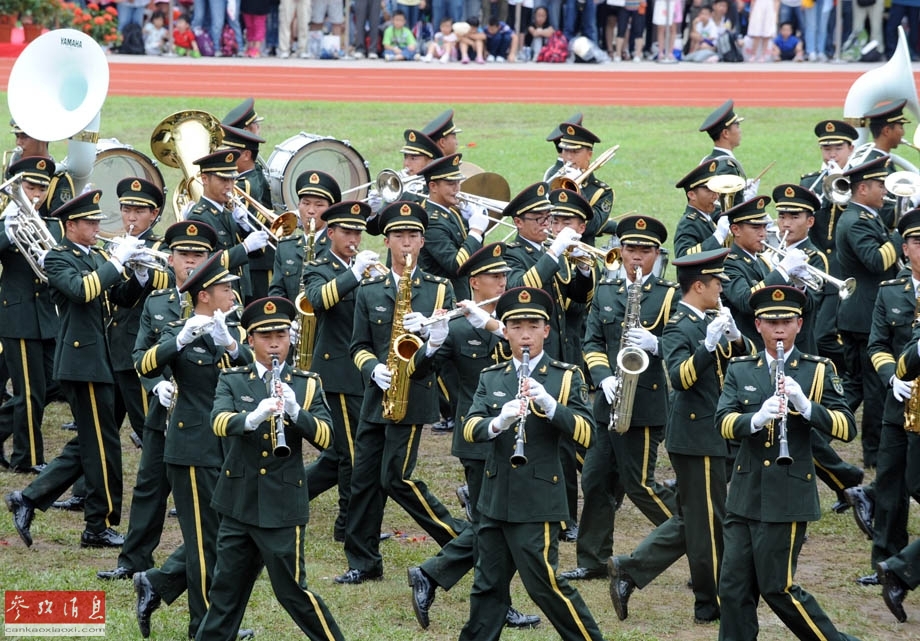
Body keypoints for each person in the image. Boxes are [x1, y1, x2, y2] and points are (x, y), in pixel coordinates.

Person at [608, 248, 755, 623]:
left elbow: (740, 362)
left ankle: (630, 569)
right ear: (700, 286)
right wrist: (706, 346)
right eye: (717, 284)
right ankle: (709, 604)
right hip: (695, 436)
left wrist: (736, 339)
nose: (722, 290)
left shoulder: (709, 319)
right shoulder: (679, 327)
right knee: (708, 524)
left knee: (698, 517)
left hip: (715, 433)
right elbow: (680, 377)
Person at [456, 285, 604, 641]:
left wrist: (552, 407)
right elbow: (469, 430)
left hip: (539, 500)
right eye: (517, 326)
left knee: (545, 586)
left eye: (534, 325)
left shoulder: (565, 376)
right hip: (494, 498)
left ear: (546, 330)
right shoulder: (492, 377)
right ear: (504, 331)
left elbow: (588, 434)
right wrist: (498, 422)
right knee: (487, 587)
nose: (525, 334)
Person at [5, 190, 152, 548]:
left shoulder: (96, 255)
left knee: (89, 442)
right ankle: (97, 526)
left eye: (98, 221)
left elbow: (118, 298)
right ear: (71, 225)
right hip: (80, 362)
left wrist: (141, 278)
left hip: (98, 359)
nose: (98, 227)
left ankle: (28, 498)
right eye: (90, 222)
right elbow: (83, 291)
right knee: (104, 446)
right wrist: (117, 262)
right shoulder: (57, 258)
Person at [405, 243, 541, 631]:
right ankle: (488, 600)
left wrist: (496, 327)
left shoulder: (516, 323)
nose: (503, 281)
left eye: (504, 275)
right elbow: (418, 373)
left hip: (522, 436)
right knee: (493, 528)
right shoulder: (460, 326)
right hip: (479, 441)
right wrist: (432, 340)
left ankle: (432, 575)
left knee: (496, 527)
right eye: (495, 277)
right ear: (475, 283)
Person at [193, 296, 345, 641]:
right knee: (224, 595)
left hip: (282, 504)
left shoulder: (307, 384)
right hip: (238, 501)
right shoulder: (233, 379)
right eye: (265, 336)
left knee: (293, 593)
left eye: (281, 334)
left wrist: (295, 412)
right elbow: (217, 422)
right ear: (250, 340)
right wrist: (252, 417)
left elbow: (327, 438)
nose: (275, 342)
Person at [715, 285, 861, 641]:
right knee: (733, 589)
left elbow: (847, 428)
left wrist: (806, 405)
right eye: (770, 321)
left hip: (789, 493)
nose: (778, 328)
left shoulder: (818, 370)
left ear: (799, 323)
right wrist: (756, 419)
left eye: (786, 321)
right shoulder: (740, 369)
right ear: (758, 325)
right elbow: (722, 422)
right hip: (745, 492)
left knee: (778, 587)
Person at [335, 201, 468, 584]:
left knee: (395, 477)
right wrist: (371, 368)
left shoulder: (439, 289)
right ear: (387, 241)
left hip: (414, 393)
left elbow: (445, 348)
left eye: (412, 236)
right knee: (363, 478)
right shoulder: (369, 289)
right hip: (378, 394)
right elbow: (357, 345)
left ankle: (461, 539)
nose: (405, 243)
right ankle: (363, 561)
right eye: (398, 236)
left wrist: (430, 335)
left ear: (423, 241)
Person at [133, 252, 252, 640]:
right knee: (206, 546)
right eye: (225, 289)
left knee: (223, 535)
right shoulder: (180, 331)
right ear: (204, 295)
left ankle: (159, 583)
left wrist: (233, 347)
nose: (232, 295)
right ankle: (204, 627)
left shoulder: (226, 330)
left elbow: (253, 374)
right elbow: (145, 365)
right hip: (191, 450)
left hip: (223, 448)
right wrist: (180, 341)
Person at [97, 221, 219, 582]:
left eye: (198, 256)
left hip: (205, 414)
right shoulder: (157, 302)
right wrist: (155, 384)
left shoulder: (226, 303)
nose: (191, 263)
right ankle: (132, 560)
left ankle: (214, 555)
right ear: (170, 259)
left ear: (210, 259)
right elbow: (140, 353)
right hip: (164, 410)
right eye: (184, 256)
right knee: (150, 484)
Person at [562, 215, 679, 582]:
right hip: (608, 403)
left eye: (645, 250)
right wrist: (602, 378)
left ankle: (697, 535)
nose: (637, 258)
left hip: (645, 404)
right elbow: (592, 341)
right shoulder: (607, 290)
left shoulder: (668, 295)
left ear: (657, 254)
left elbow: (681, 345)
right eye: (631, 249)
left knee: (640, 485)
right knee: (595, 479)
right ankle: (593, 559)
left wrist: (656, 344)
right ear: (620, 250)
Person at [772, 183, 865, 514]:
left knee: (793, 429)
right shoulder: (772, 249)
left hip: (802, 348)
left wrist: (794, 279)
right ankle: (848, 481)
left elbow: (818, 315)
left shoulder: (819, 258)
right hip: (770, 345)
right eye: (781, 215)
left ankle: (843, 484)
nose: (785, 223)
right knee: (792, 429)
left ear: (810, 221)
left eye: (794, 216)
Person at [848, 207, 920, 588]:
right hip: (900, 403)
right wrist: (892, 378)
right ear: (905, 248)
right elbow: (877, 345)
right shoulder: (891, 293)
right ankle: (887, 564)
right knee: (890, 484)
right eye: (918, 242)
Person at [300, 201, 375, 543]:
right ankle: (348, 526)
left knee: (336, 458)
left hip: (364, 372)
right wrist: (354, 273)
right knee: (354, 456)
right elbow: (317, 299)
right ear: (330, 233)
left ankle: (288, 497)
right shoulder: (320, 267)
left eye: (358, 231)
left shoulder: (367, 267)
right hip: (338, 373)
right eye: (346, 231)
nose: (354, 237)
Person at [836, 156, 900, 470]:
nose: (885, 191)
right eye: (880, 185)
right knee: (873, 388)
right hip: (863, 317)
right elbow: (876, 261)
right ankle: (873, 453)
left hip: (857, 313)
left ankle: (818, 430)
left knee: (857, 384)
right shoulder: (856, 221)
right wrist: (902, 236)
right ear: (863, 188)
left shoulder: (863, 216)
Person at [0, 157, 62, 474]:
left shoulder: (52, 224)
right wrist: (8, 233)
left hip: (46, 319)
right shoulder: (5, 223)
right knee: (30, 392)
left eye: (41, 187)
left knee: (55, 383)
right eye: (29, 186)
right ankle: (28, 458)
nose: (35, 194)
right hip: (19, 319)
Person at [108, 178, 172, 450]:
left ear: (154, 214)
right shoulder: (114, 248)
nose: (131, 217)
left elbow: (172, 281)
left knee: (149, 427)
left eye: (139, 211)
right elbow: (115, 296)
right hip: (112, 349)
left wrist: (143, 272)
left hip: (142, 349)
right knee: (100, 429)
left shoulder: (162, 249)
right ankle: (86, 491)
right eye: (126, 210)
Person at [721, 195, 814, 350]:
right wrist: (783, 270)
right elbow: (745, 301)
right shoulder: (728, 264)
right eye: (756, 228)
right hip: (744, 349)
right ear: (736, 230)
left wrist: (799, 287)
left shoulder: (761, 262)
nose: (763, 233)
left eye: (764, 227)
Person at [184, 149, 271, 302]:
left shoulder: (227, 212)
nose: (229, 186)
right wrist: (245, 247)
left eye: (232, 180)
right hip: (216, 296)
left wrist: (245, 227)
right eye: (223, 180)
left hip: (239, 291)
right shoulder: (199, 217)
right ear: (204, 179)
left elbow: (256, 254)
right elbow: (205, 262)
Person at [418, 153, 490, 300]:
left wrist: (474, 229)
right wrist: (476, 231)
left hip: (458, 294)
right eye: (451, 184)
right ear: (433, 186)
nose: (457, 189)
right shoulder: (431, 221)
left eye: (458, 183)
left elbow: (472, 255)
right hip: (441, 301)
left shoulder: (451, 212)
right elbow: (456, 265)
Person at [219, 124, 273, 302]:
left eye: (230, 153)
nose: (224, 157)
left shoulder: (245, 184)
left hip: (255, 264)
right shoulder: (253, 171)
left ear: (246, 155)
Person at [269, 170, 341, 300]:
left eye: (319, 205)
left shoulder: (338, 246)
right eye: (306, 204)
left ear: (330, 210)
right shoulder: (285, 247)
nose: (311, 211)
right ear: (298, 206)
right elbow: (277, 291)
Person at [552, 122, 613, 246]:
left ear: (589, 155)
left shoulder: (602, 192)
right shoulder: (553, 181)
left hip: (581, 257)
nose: (569, 157)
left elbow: (592, 226)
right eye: (565, 150)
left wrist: (577, 188)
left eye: (575, 152)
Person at [673, 158, 734, 257]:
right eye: (709, 190)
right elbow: (683, 256)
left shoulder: (706, 218)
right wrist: (718, 237)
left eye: (716, 190)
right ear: (692, 195)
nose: (716, 196)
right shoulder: (688, 223)